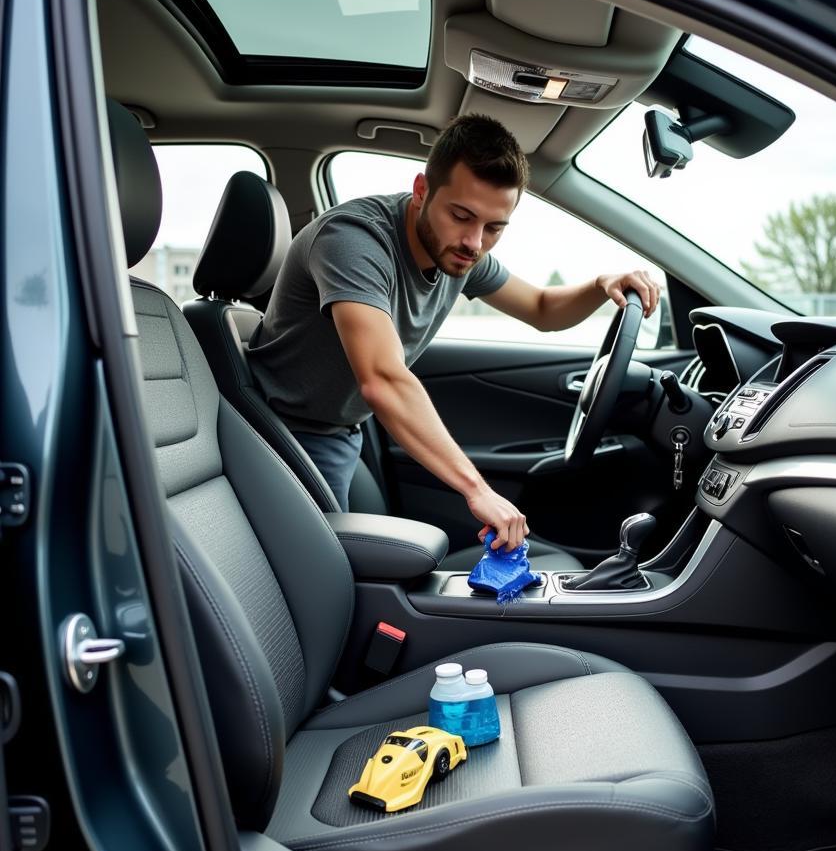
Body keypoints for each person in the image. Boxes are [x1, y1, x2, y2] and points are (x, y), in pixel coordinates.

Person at [248, 114, 660, 551]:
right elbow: (383, 378)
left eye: (494, 227)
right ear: (422, 191)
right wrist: (477, 490)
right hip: (284, 433)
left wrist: (601, 285)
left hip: (341, 429)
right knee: (326, 575)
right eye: (461, 216)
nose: (474, 242)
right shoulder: (353, 241)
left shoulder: (459, 252)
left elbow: (541, 309)